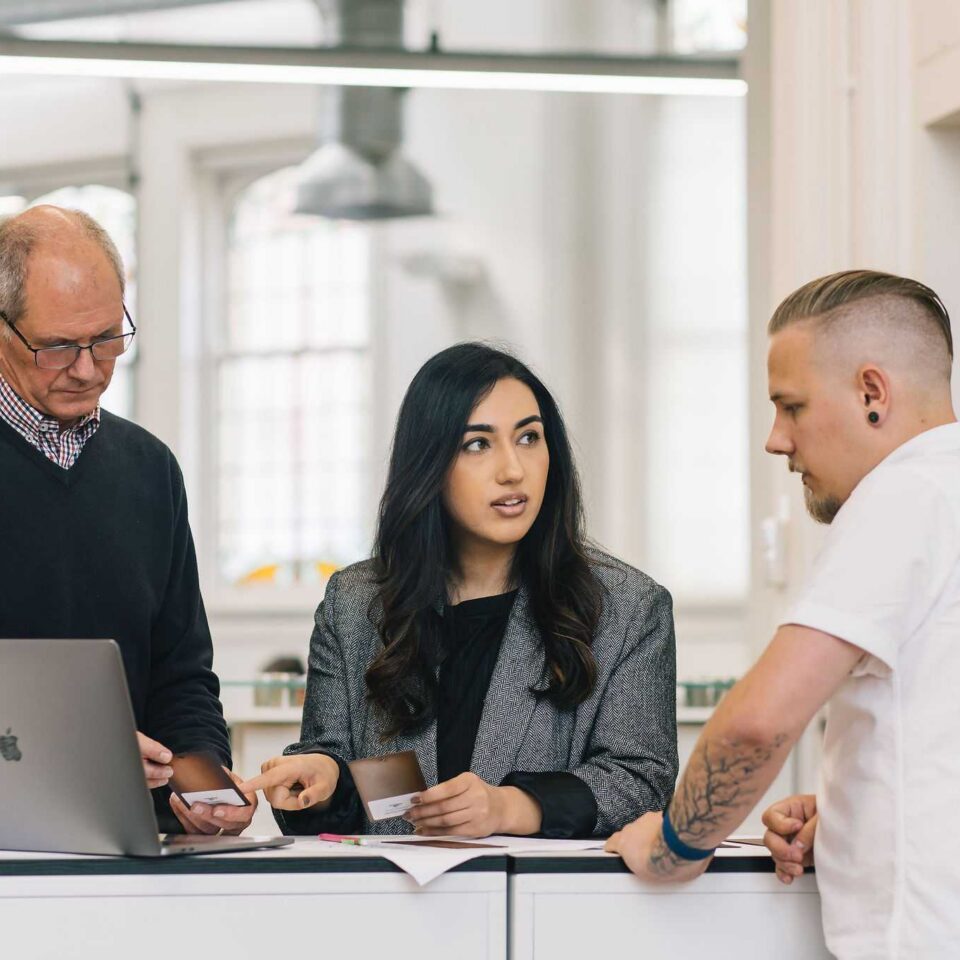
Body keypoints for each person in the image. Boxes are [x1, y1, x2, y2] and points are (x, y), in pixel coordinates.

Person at [605, 270, 960, 959]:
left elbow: (757, 725)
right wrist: (854, 813)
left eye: (791, 407)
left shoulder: (902, 495)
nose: (776, 439)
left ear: (871, 393)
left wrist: (671, 849)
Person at [243, 343, 677, 838]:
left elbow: (642, 781)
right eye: (478, 444)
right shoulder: (355, 602)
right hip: (386, 886)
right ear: (428, 463)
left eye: (529, 438)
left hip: (533, 886)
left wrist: (509, 807)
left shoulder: (629, 608)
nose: (513, 470)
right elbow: (340, 780)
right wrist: (320, 777)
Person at [0, 205, 255, 835]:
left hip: (135, 845)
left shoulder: (151, 470)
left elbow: (182, 674)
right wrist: (75, 751)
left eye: (108, 339)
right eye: (58, 346)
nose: (88, 368)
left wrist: (206, 788)